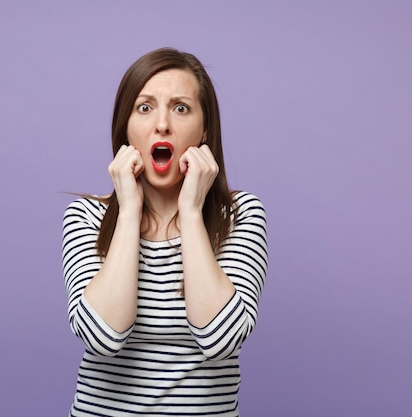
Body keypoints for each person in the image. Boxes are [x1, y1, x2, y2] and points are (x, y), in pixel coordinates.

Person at [62, 47, 268, 416]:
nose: (162, 125)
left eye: (181, 108)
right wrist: (128, 213)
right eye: (144, 108)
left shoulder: (240, 215)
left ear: (205, 129)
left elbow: (220, 339)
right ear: (125, 127)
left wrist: (190, 213)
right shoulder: (86, 216)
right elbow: (102, 337)